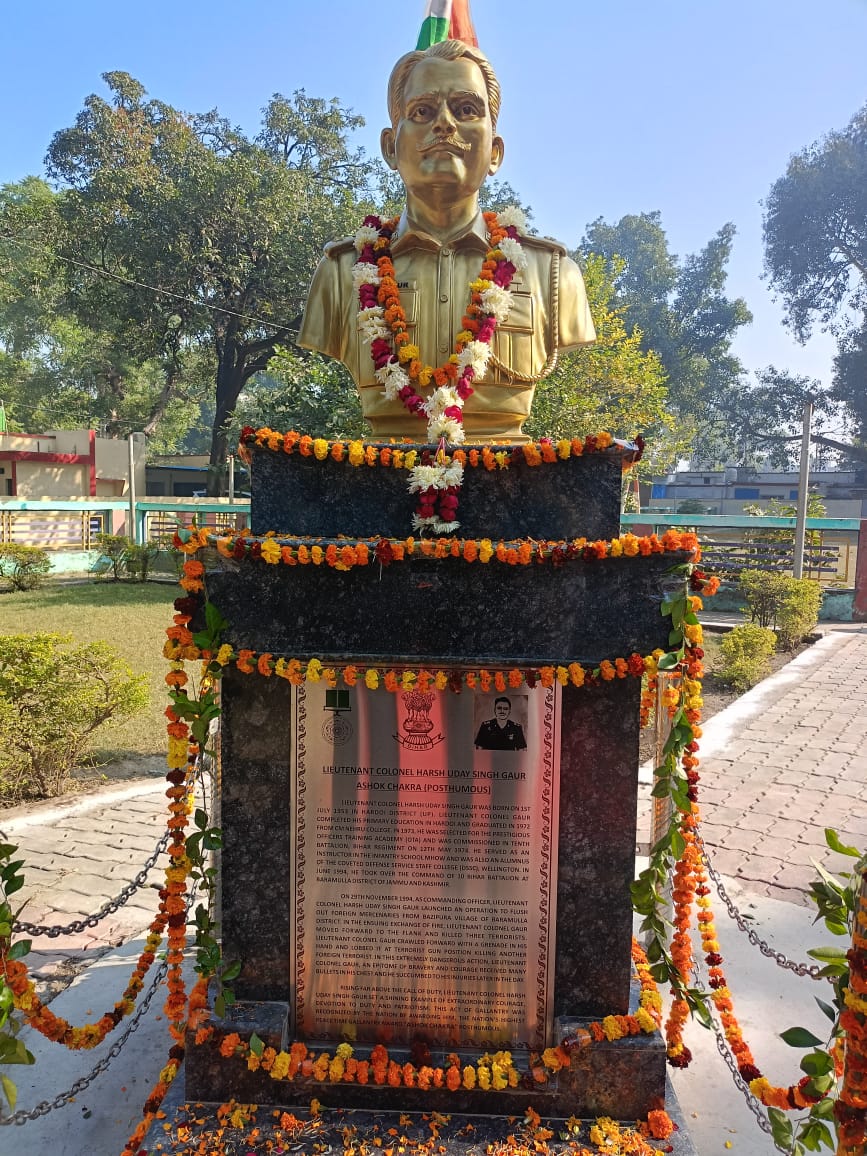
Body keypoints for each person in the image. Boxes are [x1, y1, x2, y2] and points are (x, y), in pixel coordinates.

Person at [297, 38, 596, 443]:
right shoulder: (340, 273)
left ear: (494, 151)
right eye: (422, 111)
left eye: (466, 109)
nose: (444, 124)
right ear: (389, 147)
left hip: (507, 469)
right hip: (385, 461)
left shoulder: (554, 275)